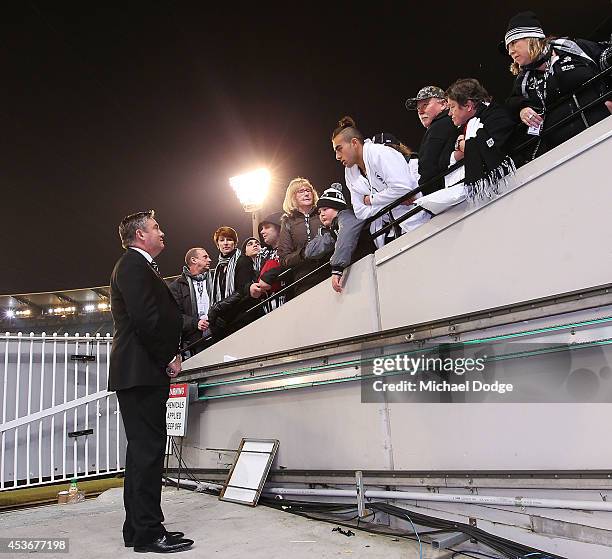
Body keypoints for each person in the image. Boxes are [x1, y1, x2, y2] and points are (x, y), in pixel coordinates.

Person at [108, 210, 193, 553]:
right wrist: (168, 356)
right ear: (141, 235)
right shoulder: (132, 265)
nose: (162, 232)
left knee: (143, 452)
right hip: (141, 371)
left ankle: (137, 529)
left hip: (140, 371)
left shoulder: (139, 266)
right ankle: (147, 532)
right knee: (148, 452)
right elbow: (147, 319)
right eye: (156, 227)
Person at [502, 11, 612, 158]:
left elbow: (605, 59)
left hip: (603, 129)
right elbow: (509, 107)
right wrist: (521, 110)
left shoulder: (572, 48)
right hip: (562, 154)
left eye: (514, 43)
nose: (510, 51)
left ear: (531, 38)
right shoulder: (523, 81)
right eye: (508, 47)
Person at [331, 116, 430, 248]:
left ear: (354, 143)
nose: (337, 157)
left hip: (416, 222)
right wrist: (395, 200)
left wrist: (371, 200)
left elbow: (403, 189)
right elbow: (360, 211)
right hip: (385, 233)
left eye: (339, 149)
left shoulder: (380, 153)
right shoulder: (349, 171)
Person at [446, 79, 516, 202]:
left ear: (468, 105)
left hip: (511, 183)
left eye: (452, 107)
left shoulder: (497, 116)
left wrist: (464, 145)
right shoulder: (468, 125)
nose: (449, 113)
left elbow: (494, 149)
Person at [305, 185, 371, 293]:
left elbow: (346, 235)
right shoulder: (333, 230)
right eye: (319, 211)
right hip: (360, 266)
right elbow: (310, 251)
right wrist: (326, 233)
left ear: (337, 208)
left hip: (366, 260)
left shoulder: (348, 215)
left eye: (325, 209)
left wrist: (337, 268)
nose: (322, 214)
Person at [277, 178, 328, 296]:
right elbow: (284, 258)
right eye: (301, 191)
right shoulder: (287, 222)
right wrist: (303, 254)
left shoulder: (323, 212)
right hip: (304, 279)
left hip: (328, 270)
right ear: (292, 196)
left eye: (308, 190)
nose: (306, 194)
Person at [405, 86, 458, 194]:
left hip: (445, 194)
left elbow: (428, 167)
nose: (420, 111)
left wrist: (425, 194)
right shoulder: (448, 122)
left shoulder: (439, 126)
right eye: (418, 108)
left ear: (443, 104)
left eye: (425, 104)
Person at [169, 247, 212, 357]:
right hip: (193, 340)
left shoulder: (215, 278)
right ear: (193, 260)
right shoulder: (176, 286)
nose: (210, 260)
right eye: (205, 257)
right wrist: (195, 323)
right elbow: (174, 315)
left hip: (216, 333)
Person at [210, 226, 241, 305]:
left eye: (229, 239)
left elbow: (242, 291)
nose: (226, 243)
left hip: (239, 310)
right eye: (222, 240)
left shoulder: (242, 260)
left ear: (235, 243)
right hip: (224, 312)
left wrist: (220, 306)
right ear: (218, 244)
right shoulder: (219, 266)